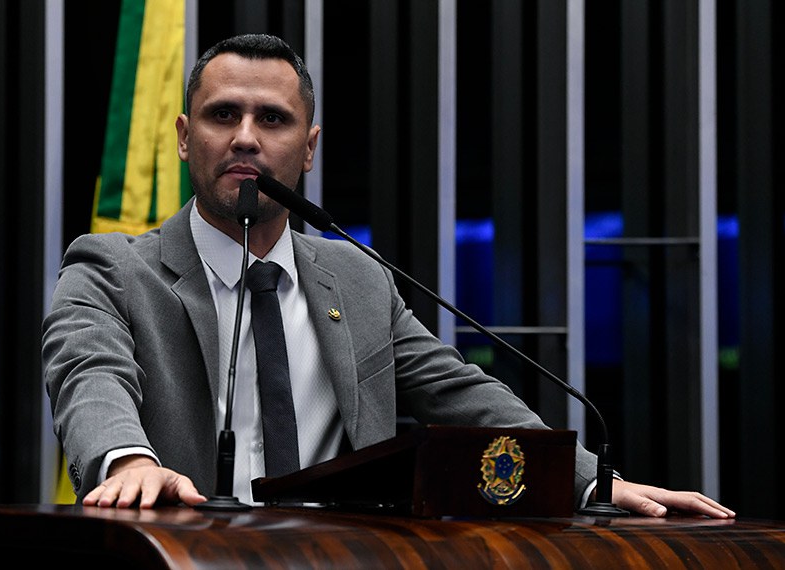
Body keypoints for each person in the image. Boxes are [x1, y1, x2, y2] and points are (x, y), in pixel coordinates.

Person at [43, 33, 734, 518]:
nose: (246, 136)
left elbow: (464, 396)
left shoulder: (356, 276)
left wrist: (588, 483)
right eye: (224, 115)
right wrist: (126, 462)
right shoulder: (110, 270)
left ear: (308, 149)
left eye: (273, 119)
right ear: (186, 136)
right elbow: (91, 377)